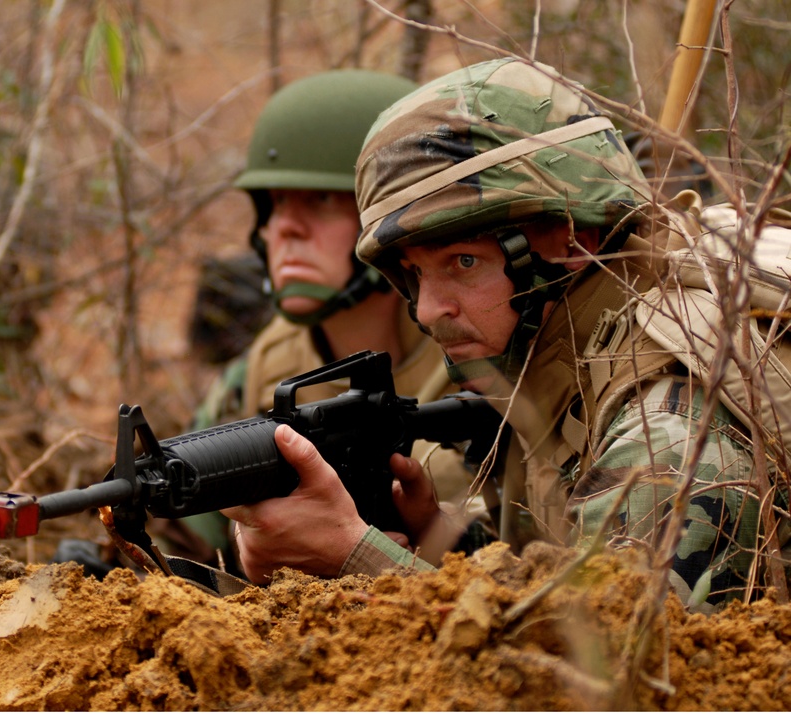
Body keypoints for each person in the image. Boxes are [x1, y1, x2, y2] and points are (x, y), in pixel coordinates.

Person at [221, 57, 790, 612]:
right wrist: (442, 543)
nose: (428, 310)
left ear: (572, 240)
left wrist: (356, 556)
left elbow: (613, 676)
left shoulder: (667, 431)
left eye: (462, 262)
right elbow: (558, 574)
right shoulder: (557, 354)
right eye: (416, 273)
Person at [152, 69, 493, 572]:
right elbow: (189, 542)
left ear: (393, 220)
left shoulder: (487, 350)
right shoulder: (266, 367)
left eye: (321, 201)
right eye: (275, 204)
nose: (284, 227)